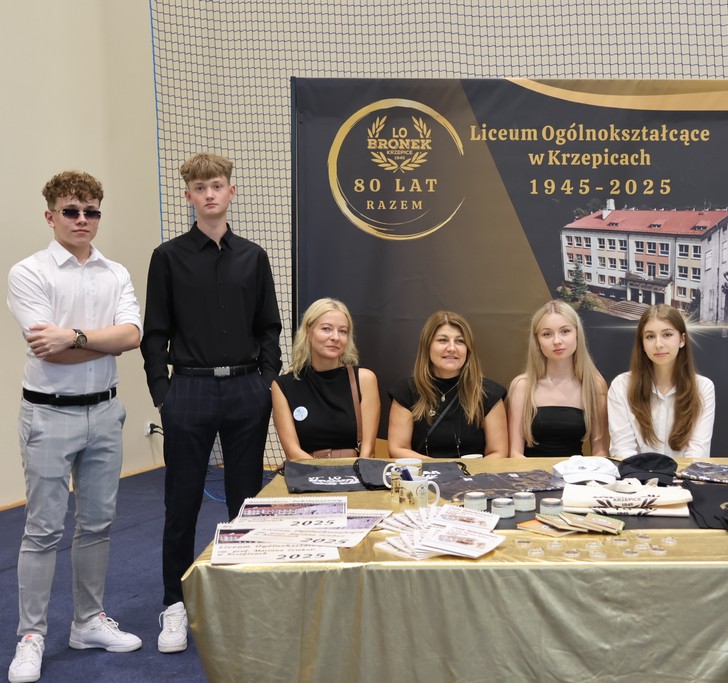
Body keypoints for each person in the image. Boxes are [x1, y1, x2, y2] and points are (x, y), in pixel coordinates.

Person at [141, 153, 282, 654]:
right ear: (189, 196)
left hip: (246, 390)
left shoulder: (254, 257)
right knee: (181, 502)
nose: (209, 194)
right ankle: (174, 604)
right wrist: (164, 394)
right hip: (189, 391)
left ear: (231, 191)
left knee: (246, 498)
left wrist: (265, 382)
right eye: (200, 188)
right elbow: (154, 333)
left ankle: (239, 592)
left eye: (217, 185)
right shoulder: (168, 257)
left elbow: (269, 327)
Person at [7, 171, 143, 683]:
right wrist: (100, 341)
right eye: (71, 211)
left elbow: (132, 336)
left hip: (105, 412)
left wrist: (77, 336)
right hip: (48, 413)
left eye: (91, 211)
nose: (82, 219)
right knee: (43, 529)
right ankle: (31, 636)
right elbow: (50, 351)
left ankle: (87, 622)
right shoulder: (29, 272)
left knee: (98, 523)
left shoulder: (116, 273)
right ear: (50, 216)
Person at [388, 311, 507, 459]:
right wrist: (442, 469)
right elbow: (398, 448)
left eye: (459, 341)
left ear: (468, 349)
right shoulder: (406, 392)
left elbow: (498, 453)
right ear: (427, 346)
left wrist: (463, 472)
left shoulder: (489, 393)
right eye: (442, 340)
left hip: (475, 473)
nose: (452, 348)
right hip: (423, 473)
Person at [272, 298, 380, 460]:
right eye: (326, 329)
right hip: (307, 472)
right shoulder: (283, 386)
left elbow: (368, 451)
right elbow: (292, 452)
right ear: (308, 331)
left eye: (343, 331)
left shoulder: (364, 380)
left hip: (355, 471)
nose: (336, 337)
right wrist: (323, 473)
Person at [607, 304, 715, 459]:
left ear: (682, 340)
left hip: (684, 474)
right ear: (642, 344)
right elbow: (623, 450)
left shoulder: (703, 388)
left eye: (667, 334)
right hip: (635, 474)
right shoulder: (621, 386)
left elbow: (698, 453)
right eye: (650, 336)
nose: (658, 344)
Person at [507, 301, 608, 458]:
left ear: (577, 334)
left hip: (576, 472)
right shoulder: (522, 386)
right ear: (537, 341)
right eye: (547, 334)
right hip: (530, 472)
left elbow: (600, 451)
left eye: (565, 331)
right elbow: (515, 453)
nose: (557, 341)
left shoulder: (594, 385)